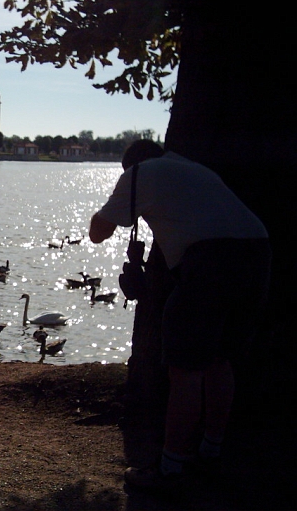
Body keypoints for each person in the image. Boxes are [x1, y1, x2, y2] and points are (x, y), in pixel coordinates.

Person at [89, 140, 271, 493]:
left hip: (210, 261)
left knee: (185, 371)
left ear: (130, 165)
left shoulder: (139, 173)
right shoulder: (196, 169)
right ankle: (211, 452)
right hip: (258, 253)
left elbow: (99, 233)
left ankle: (171, 468)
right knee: (220, 359)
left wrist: (111, 206)